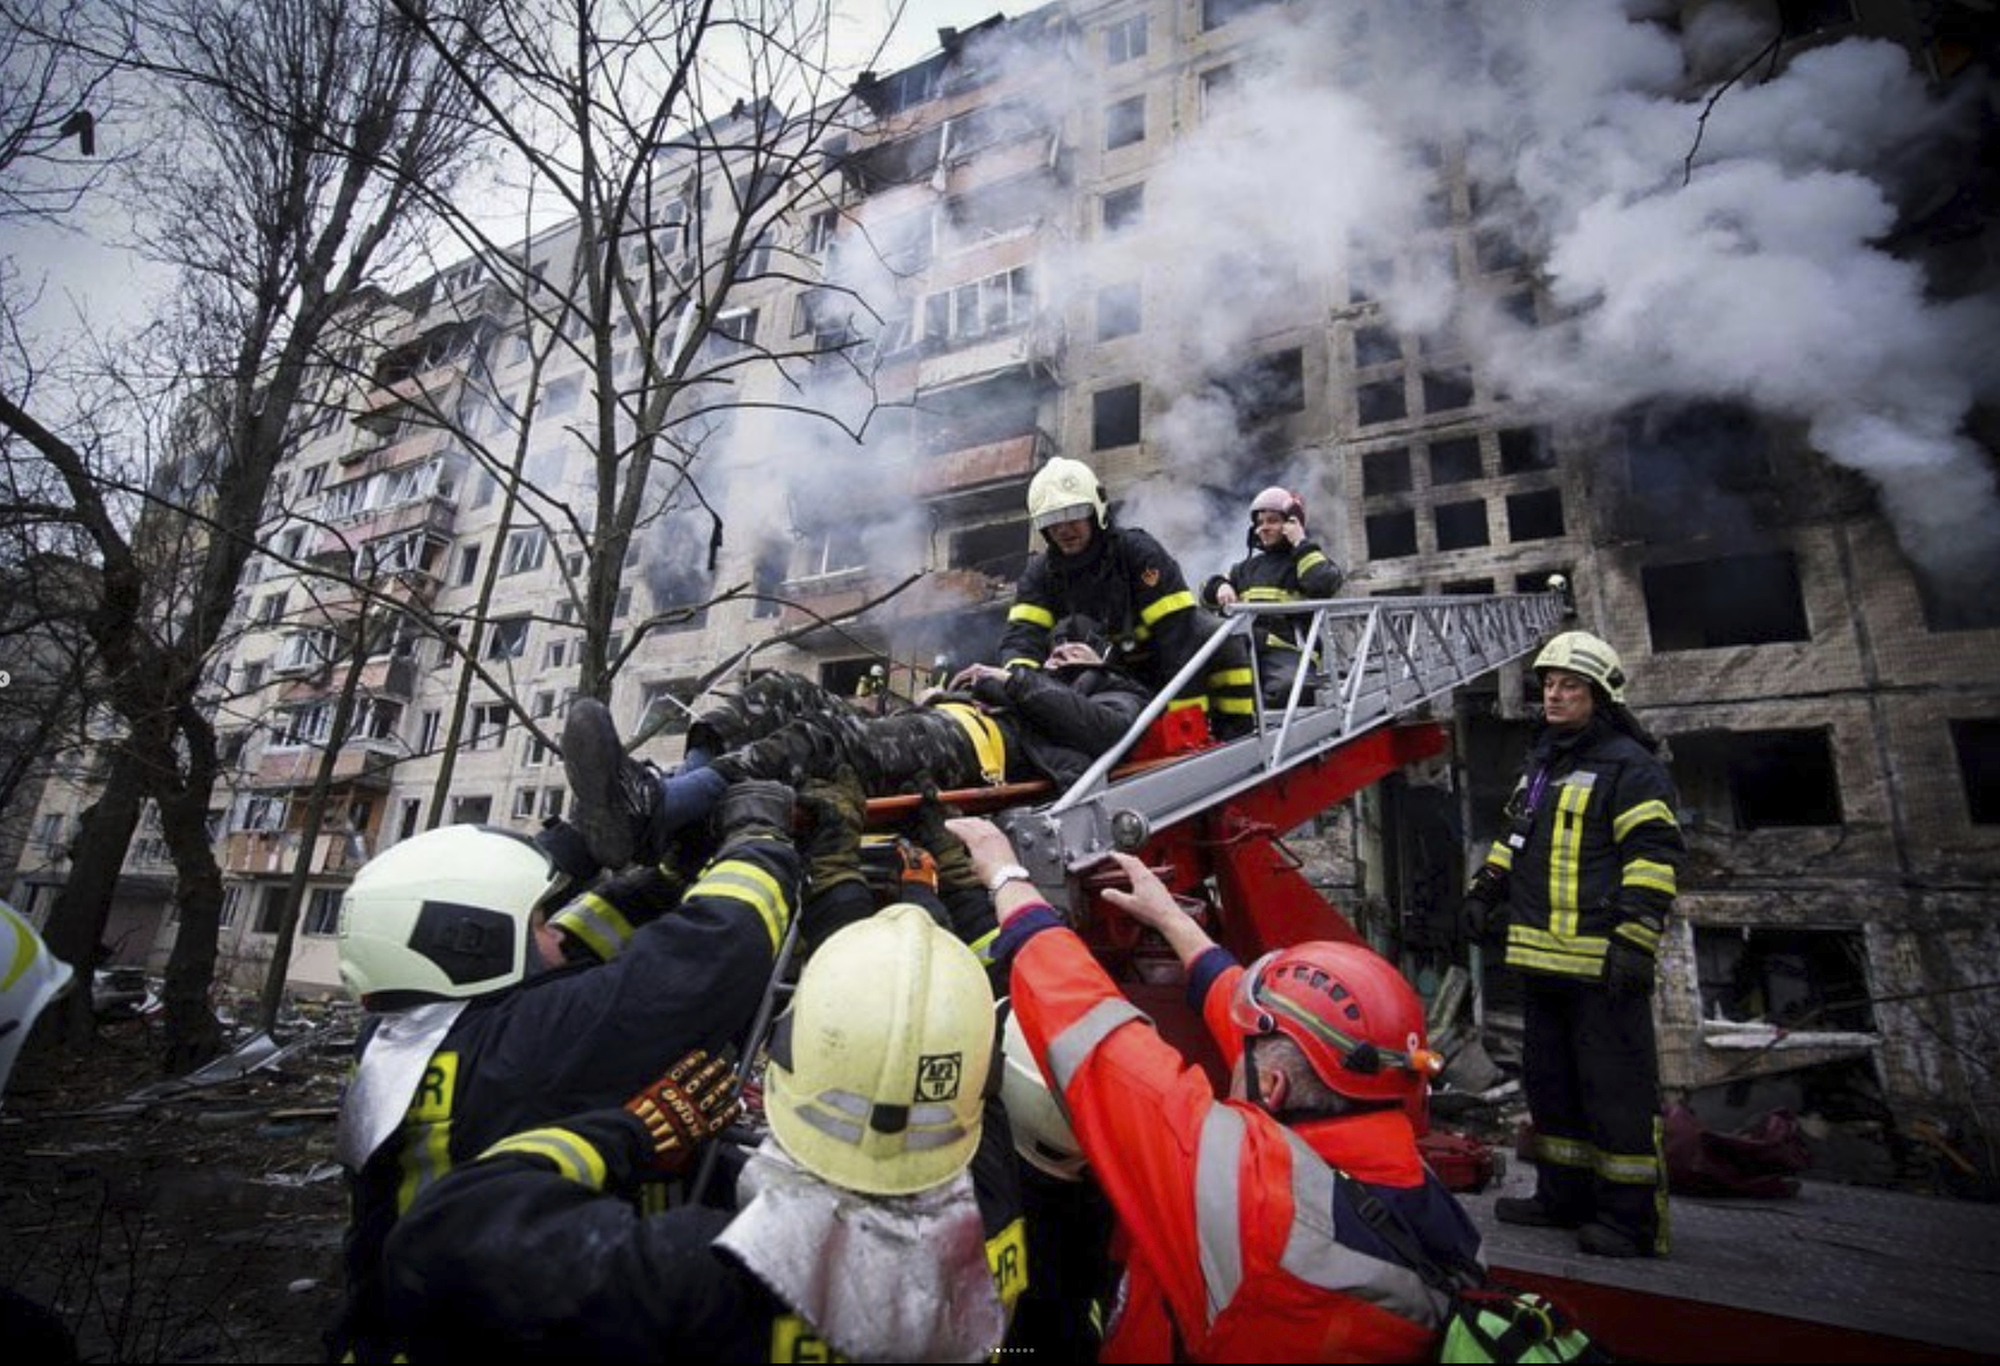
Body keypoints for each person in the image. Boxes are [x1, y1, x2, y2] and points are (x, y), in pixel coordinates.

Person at [381, 903, 1027, 1362]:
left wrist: (632, 1132)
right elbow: (948, 1045)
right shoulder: (1003, 1213)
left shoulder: (701, 1274)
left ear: (789, 1049)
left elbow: (445, 1231)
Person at [948, 815, 1483, 1362]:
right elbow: (1259, 1032)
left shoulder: (1247, 1200)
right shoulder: (1398, 1171)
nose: (1236, 1037)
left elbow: (1100, 1042)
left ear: (1272, 1087)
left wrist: (1007, 876)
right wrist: (1173, 923)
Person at [327, 784, 799, 1363]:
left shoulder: (400, 1032)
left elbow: (569, 954)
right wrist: (759, 840)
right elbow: (718, 951)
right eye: (539, 923)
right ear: (474, 943)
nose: (559, 932)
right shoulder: (529, 1043)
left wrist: (672, 875)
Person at [562, 615, 1151, 875]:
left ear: (1101, 658)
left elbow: (1106, 735)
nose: (1059, 655)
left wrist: (1014, 681)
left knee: (819, 743)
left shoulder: (1115, 691)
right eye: (1054, 650)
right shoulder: (1033, 683)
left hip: (976, 753)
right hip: (936, 728)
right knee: (780, 690)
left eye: (1074, 651)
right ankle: (664, 793)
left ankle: (660, 808)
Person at [1460, 628, 1683, 1260]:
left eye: (1570, 687)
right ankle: (1563, 1197)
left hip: (1601, 964)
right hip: (1540, 960)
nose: (1554, 696)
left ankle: (1632, 1220)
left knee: (1615, 1094)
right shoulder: (1544, 762)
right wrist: (1485, 890)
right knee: (1552, 1087)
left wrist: (1635, 942)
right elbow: (1514, 838)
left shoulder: (1631, 767)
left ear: (1601, 696)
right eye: (1549, 685)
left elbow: (1653, 857)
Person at [991, 456, 1256, 738]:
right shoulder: (1040, 574)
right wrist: (1017, 680)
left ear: (1096, 510)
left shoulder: (1138, 554)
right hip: (1091, 681)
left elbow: (1178, 639)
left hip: (1154, 668)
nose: (1063, 528)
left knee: (1217, 636)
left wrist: (1186, 726)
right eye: (1052, 519)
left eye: (1074, 514)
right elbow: (1022, 638)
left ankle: (1236, 733)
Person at [1200, 485, 1345, 707]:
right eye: (1259, 523)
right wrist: (1220, 586)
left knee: (1289, 691)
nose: (1263, 528)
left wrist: (1301, 543)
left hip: (1290, 654)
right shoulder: (1245, 568)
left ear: (1292, 523)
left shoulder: (1306, 560)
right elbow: (1205, 594)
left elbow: (1322, 583)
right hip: (1247, 650)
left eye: (1272, 521)